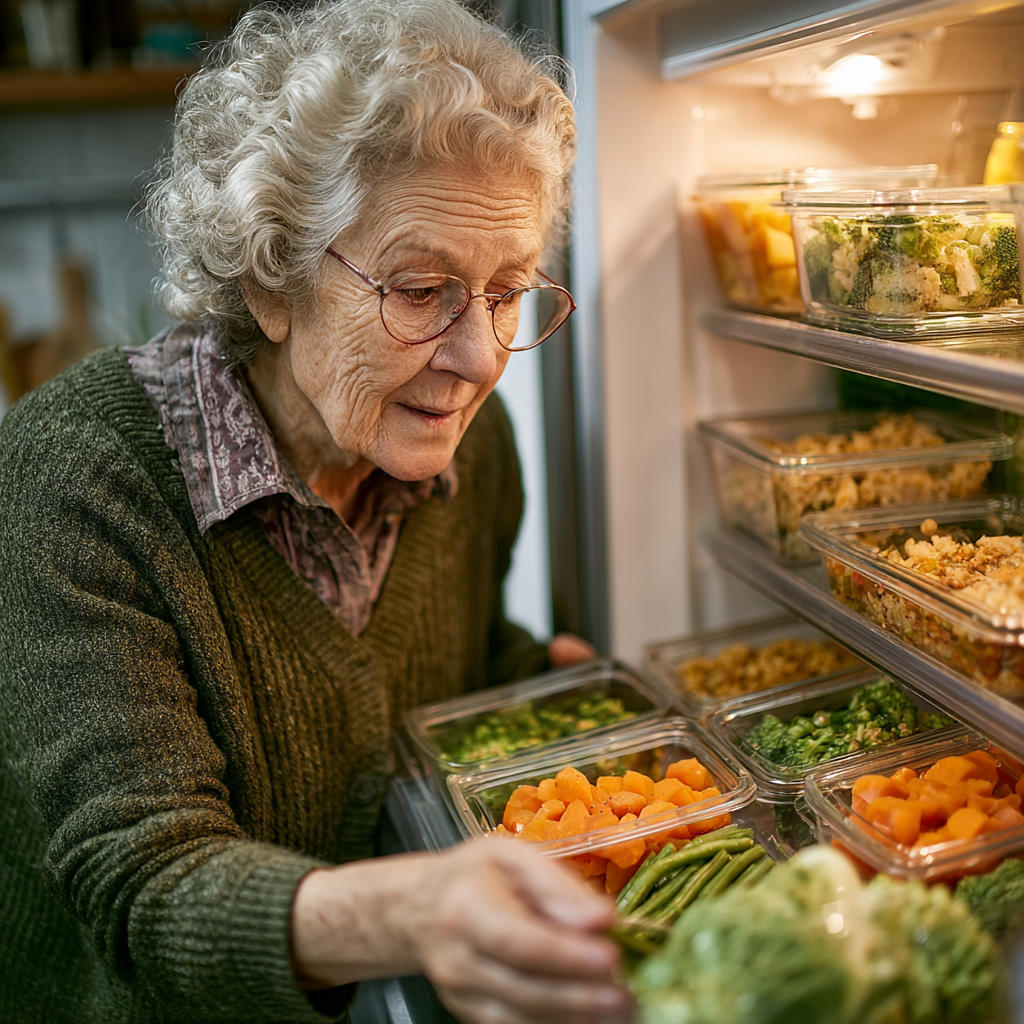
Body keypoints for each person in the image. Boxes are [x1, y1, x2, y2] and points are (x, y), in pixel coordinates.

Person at [0, 3, 633, 1023]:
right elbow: (144, 886)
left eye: (508, 290)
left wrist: (533, 697)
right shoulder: (74, 478)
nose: (479, 361)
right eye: (422, 289)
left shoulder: (470, 444)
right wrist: (417, 909)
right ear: (271, 281)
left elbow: (417, 669)